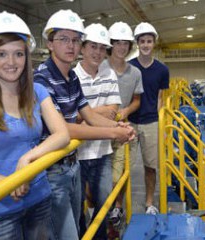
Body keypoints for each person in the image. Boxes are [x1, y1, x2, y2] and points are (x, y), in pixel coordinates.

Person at [34, 9, 135, 240]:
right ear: (49, 44)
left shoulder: (72, 77)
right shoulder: (42, 78)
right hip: (52, 169)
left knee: (81, 227)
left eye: (76, 40)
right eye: (63, 39)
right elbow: (63, 128)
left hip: (72, 162)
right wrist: (112, 132)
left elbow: (87, 113)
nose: (71, 46)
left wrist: (118, 128)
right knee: (68, 234)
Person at [0, 11, 70, 240]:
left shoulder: (36, 92)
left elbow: (62, 134)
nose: (11, 63)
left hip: (38, 197)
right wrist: (9, 182)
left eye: (18, 54)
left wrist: (27, 160)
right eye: (2, 54)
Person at [73, 23, 121, 239]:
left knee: (103, 203)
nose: (98, 52)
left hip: (102, 151)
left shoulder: (109, 74)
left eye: (102, 48)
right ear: (82, 48)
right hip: (75, 154)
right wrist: (95, 113)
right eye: (93, 46)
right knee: (76, 208)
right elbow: (69, 118)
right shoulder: (72, 76)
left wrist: (86, 114)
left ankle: (99, 237)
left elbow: (113, 111)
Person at [103, 21, 144, 227]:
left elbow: (137, 100)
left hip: (123, 128)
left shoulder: (135, 73)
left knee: (121, 172)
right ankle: (102, 206)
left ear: (129, 46)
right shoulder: (100, 68)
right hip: (99, 130)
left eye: (125, 43)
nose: (121, 47)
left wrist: (124, 112)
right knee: (100, 172)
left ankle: (117, 207)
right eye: (117, 43)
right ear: (111, 44)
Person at [128, 22, 169, 214]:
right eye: (142, 41)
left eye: (149, 41)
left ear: (154, 43)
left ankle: (149, 202)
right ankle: (119, 205)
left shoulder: (162, 70)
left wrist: (161, 128)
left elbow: (160, 98)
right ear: (137, 43)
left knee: (150, 166)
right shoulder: (129, 67)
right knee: (123, 167)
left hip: (151, 122)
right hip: (129, 122)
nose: (145, 45)